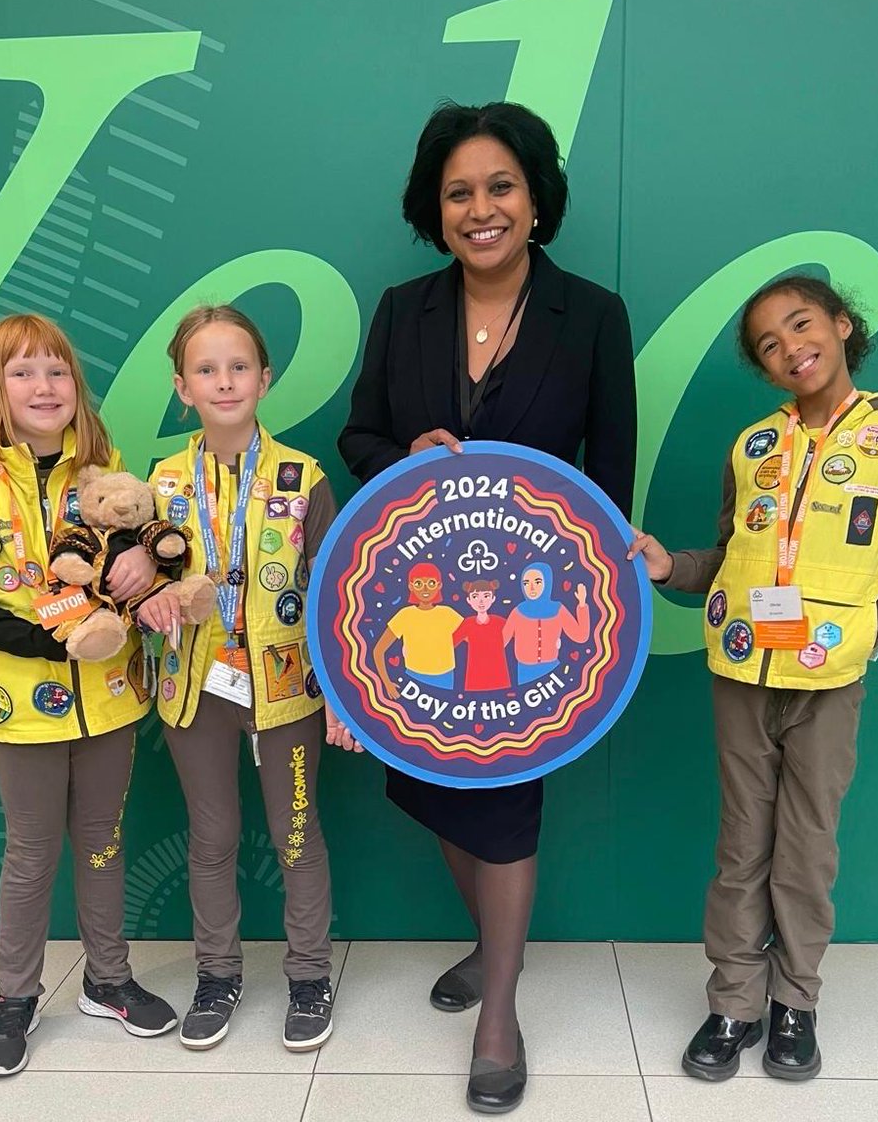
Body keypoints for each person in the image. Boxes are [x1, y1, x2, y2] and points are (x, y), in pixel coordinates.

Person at [339, 101, 636, 1113]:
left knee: (506, 803)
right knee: (431, 785)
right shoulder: (400, 308)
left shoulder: (591, 314)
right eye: (458, 191)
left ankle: (498, 1011)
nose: (479, 208)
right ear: (435, 207)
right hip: (420, 611)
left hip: (531, 626)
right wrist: (401, 456)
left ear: (534, 198)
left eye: (499, 186)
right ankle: (489, 945)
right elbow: (359, 438)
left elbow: (609, 479)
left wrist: (593, 607)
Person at [628, 276, 878, 1083]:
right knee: (742, 843)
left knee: (805, 848)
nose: (789, 349)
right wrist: (673, 565)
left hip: (830, 677)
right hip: (742, 669)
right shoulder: (752, 447)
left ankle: (795, 1004)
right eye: (768, 346)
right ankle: (734, 1001)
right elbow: (730, 561)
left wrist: (875, 623)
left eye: (801, 326)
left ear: (843, 325)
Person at [0, 314, 177, 1078]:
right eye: (23, 372)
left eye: (57, 371)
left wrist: (143, 572)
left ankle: (108, 980)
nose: (43, 386)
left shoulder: (103, 466)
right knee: (32, 851)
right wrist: (45, 642)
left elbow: (134, 553)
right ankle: (14, 999)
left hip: (107, 693)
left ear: (76, 386)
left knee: (101, 840)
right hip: (18, 698)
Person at [136, 304, 359, 1054]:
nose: (224, 381)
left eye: (238, 367)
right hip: (195, 690)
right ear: (181, 387)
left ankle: (307, 975)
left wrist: (339, 696)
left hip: (287, 687)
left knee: (297, 833)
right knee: (213, 835)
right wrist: (145, 600)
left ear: (265, 379)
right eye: (206, 369)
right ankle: (217, 974)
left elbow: (334, 594)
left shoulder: (304, 477)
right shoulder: (160, 484)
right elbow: (133, 585)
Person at [374, 561, 461, 693]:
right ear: (411, 586)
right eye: (419, 584)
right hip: (414, 678)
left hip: (446, 678)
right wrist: (387, 684)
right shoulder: (405, 615)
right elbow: (378, 651)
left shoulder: (448, 614)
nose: (425, 589)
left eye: (431, 583)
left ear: (439, 586)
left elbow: (475, 639)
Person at [501, 564, 589, 683]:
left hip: (553, 670)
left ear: (547, 582)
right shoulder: (518, 612)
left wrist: (582, 605)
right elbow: (500, 642)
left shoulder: (558, 609)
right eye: (526, 583)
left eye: (537, 582)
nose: (531, 588)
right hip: (526, 671)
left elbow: (580, 636)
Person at [454, 579, 510, 691]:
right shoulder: (468, 623)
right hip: (475, 677)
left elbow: (521, 636)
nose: (481, 601)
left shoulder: (500, 622)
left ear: (493, 599)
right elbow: (451, 643)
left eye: (486, 596)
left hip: (499, 676)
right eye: (475, 597)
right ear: (469, 600)